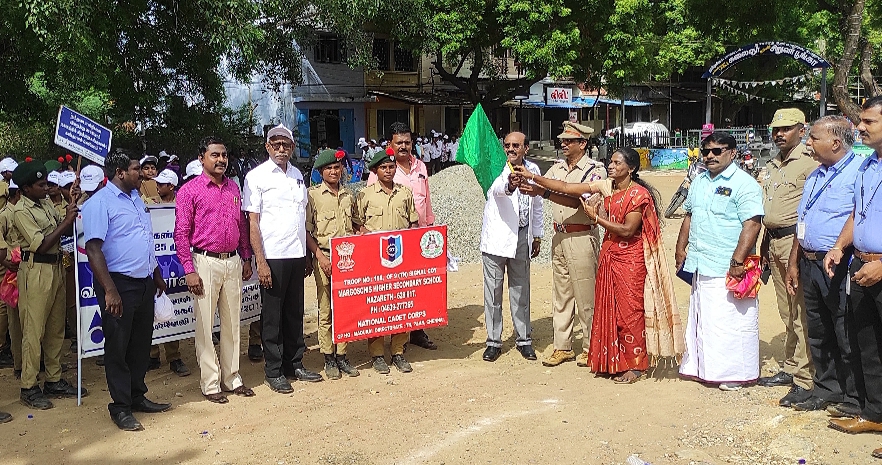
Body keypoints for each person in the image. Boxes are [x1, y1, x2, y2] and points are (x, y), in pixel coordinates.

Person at [516, 147, 683, 383]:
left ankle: (635, 365)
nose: (611, 166)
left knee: (630, 312)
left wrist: (596, 219)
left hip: (631, 258)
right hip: (609, 253)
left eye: (617, 163)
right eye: (611, 162)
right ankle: (611, 360)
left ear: (631, 168)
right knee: (609, 308)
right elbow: (566, 189)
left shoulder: (638, 195)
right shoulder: (607, 187)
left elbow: (627, 230)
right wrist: (534, 179)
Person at [83, 150, 171, 431]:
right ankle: (120, 407)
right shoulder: (100, 202)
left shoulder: (136, 198)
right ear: (120, 172)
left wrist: (156, 274)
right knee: (118, 347)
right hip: (118, 284)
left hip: (144, 282)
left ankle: (137, 396)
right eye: (136, 169)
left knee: (140, 344)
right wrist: (110, 291)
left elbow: (145, 240)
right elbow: (93, 249)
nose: (142, 173)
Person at [783, 116, 862, 415]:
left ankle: (854, 396)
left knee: (844, 330)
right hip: (809, 262)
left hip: (839, 263)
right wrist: (794, 262)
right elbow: (802, 223)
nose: (808, 143)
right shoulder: (816, 175)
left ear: (836, 142)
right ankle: (826, 388)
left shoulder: (859, 172)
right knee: (818, 329)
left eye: (814, 138)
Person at [675, 131, 764, 391]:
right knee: (703, 317)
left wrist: (737, 260)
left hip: (728, 265)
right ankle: (701, 367)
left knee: (731, 321)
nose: (710, 156)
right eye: (706, 151)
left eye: (717, 151)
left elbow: (752, 223)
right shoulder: (700, 181)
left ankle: (735, 373)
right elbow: (689, 216)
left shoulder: (744, 184)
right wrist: (681, 248)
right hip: (701, 262)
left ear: (732, 153)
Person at [518, 121, 607, 368]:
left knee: (586, 296)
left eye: (569, 141)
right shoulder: (556, 168)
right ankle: (562, 346)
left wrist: (539, 187)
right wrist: (530, 187)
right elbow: (541, 188)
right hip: (559, 236)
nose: (564, 144)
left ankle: (591, 346)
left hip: (581, 236)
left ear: (583, 143)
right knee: (562, 295)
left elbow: (578, 201)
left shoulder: (594, 171)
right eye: (563, 140)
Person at [243, 124, 322, 394]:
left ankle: (294, 363)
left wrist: (307, 256)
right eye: (275, 144)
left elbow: (301, 219)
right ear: (267, 147)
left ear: (291, 147)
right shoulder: (256, 177)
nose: (281, 149)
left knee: (294, 313)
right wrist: (260, 261)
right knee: (272, 318)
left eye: (286, 144)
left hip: (296, 255)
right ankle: (273, 370)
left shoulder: (298, 175)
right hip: (272, 258)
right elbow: (253, 223)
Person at [176, 137, 255, 403]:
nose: (221, 160)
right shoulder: (189, 191)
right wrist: (189, 269)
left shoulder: (233, 187)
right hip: (204, 262)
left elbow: (242, 225)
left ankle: (232, 378)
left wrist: (246, 257)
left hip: (232, 261)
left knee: (233, 323)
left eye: (224, 155)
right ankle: (210, 384)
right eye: (215, 155)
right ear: (202, 158)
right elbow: (181, 233)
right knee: (206, 326)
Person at [824, 98, 882, 458]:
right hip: (862, 266)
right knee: (868, 347)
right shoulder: (866, 166)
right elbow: (857, 215)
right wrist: (839, 246)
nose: (858, 128)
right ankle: (875, 413)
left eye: (867, 122)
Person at [12, 160, 85, 409]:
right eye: (41, 185)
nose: (46, 188)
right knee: (34, 330)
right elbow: (41, 243)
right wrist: (65, 222)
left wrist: (70, 208)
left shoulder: (44, 204)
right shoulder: (20, 211)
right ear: (25, 188)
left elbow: (63, 229)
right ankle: (29, 385)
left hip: (55, 266)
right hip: (35, 269)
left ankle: (53, 379)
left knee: (56, 327)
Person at [757, 108, 818, 407]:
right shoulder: (771, 165)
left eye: (786, 129)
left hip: (796, 243)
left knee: (802, 313)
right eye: (775, 129)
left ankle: (806, 380)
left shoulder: (809, 165)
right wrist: (763, 245)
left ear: (801, 129)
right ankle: (791, 366)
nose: (779, 134)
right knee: (786, 311)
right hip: (773, 241)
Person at [366, 122, 438, 350]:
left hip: (418, 235)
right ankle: (394, 336)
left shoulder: (421, 168)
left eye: (407, 142)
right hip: (391, 241)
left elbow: (426, 199)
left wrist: (429, 227)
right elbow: (370, 204)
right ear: (391, 144)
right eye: (399, 143)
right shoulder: (381, 170)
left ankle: (416, 331)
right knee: (393, 290)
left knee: (415, 287)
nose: (404, 146)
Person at [355, 150, 419, 374]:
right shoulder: (365, 195)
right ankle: (377, 354)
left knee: (399, 305)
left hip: (400, 261)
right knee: (377, 307)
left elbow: (413, 224)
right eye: (384, 168)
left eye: (391, 167)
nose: (389, 171)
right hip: (375, 262)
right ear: (375, 171)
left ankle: (399, 351)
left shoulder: (406, 193)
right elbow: (357, 225)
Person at [479, 132, 542, 362]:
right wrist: (510, 185)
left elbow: (537, 205)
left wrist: (537, 235)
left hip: (522, 236)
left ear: (526, 148)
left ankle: (524, 339)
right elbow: (496, 189)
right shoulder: (496, 166)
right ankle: (494, 341)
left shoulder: (533, 170)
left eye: (516, 145)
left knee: (521, 289)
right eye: (507, 145)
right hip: (497, 238)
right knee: (493, 292)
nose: (511, 149)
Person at [305, 149, 361, 379]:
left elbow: (357, 224)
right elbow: (307, 231)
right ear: (321, 172)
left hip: (347, 257)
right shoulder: (313, 196)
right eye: (329, 168)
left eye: (337, 167)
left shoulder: (349, 195)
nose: (334, 171)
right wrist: (319, 257)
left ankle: (342, 355)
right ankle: (328, 356)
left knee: (345, 308)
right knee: (326, 308)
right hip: (324, 256)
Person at [145, 168, 190, 377]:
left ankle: (174, 357)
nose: (157, 186)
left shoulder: (182, 203)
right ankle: (152, 354)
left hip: (175, 265)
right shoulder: (149, 203)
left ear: (171, 187)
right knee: (151, 310)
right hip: (153, 264)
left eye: (162, 184)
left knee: (171, 310)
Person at [0, 181, 22, 379]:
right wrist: (7, 264)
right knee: (15, 320)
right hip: (12, 272)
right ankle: (19, 363)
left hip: (26, 269)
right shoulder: (6, 215)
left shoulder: (22, 212)